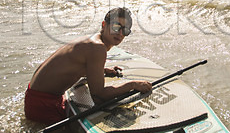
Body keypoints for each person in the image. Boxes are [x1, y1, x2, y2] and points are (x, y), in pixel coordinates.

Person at [24, 7, 152, 123]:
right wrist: (133, 84)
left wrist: (104, 70)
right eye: (116, 27)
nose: (120, 33)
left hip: (36, 95)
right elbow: (98, 96)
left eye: (125, 30)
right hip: (42, 104)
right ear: (104, 24)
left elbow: (77, 66)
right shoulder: (98, 48)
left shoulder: (92, 40)